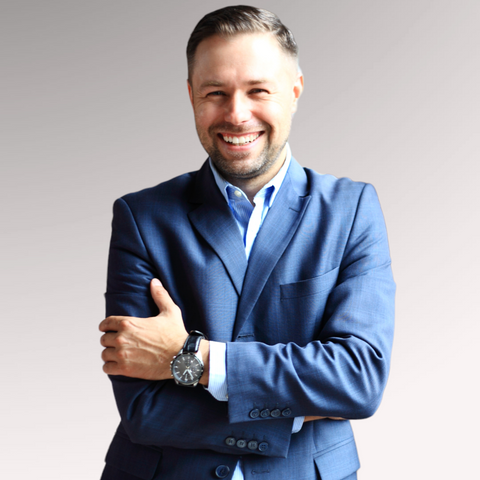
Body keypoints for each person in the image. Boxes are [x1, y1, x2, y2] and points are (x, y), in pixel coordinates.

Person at [98, 5, 395, 480]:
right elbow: (143, 407)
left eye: (259, 90)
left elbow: (357, 380)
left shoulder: (351, 209)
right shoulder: (141, 217)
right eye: (216, 92)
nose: (237, 114)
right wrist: (292, 412)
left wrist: (192, 359)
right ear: (192, 95)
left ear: (294, 91)